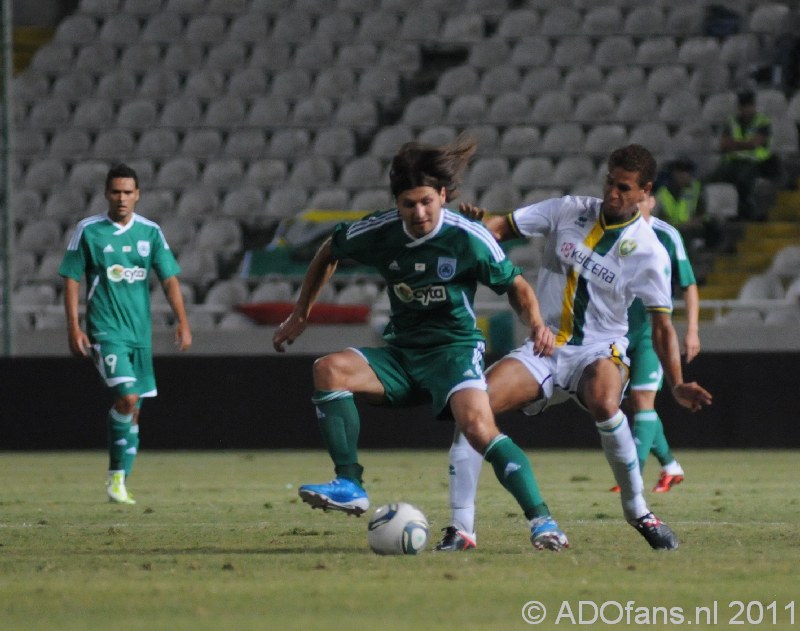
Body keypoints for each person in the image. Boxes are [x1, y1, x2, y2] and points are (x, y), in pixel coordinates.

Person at [272, 137, 571, 551]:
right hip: (403, 354)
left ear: (442, 196)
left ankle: (543, 522)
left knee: (479, 428)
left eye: (427, 201)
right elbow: (329, 251)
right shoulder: (380, 231)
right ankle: (350, 484)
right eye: (409, 204)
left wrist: (536, 323)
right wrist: (301, 312)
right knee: (328, 369)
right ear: (396, 203)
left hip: (454, 352)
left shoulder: (467, 237)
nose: (420, 212)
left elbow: (516, 284)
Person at [436, 144, 712, 553]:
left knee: (604, 400)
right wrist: (482, 230)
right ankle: (462, 528)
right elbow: (502, 227)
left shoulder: (651, 251)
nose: (612, 193)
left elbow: (661, 327)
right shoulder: (568, 210)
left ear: (644, 191)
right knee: (473, 406)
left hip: (599, 350)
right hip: (543, 346)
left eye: (624, 187)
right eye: (609, 183)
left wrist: (677, 383)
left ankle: (638, 511)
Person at [59, 164, 192, 504]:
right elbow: (72, 278)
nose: (121, 198)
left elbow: (169, 279)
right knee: (127, 398)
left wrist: (182, 321)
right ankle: (116, 480)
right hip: (105, 331)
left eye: (127, 192)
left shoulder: (150, 232)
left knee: (135, 410)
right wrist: (74, 326)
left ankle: (118, 480)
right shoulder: (89, 231)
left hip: (139, 335)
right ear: (107, 193)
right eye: (116, 191)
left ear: (138, 195)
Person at [609, 193, 700, 495]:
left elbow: (688, 284)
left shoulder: (666, 235)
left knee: (642, 400)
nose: (635, 203)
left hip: (651, 331)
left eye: (642, 198)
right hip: (618, 331)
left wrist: (692, 331)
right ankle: (671, 466)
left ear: (651, 201)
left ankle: (630, 475)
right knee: (629, 404)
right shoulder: (615, 230)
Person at [706, 89, 781, 221]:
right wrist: (745, 143)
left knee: (743, 180)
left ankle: (747, 212)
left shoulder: (762, 121)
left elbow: (756, 143)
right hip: (733, 162)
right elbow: (723, 144)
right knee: (712, 178)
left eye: (749, 106)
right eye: (743, 106)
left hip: (756, 162)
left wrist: (735, 144)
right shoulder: (732, 121)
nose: (746, 109)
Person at [653, 158, 722, 251]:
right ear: (674, 174)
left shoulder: (696, 189)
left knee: (713, 227)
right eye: (680, 173)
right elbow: (656, 218)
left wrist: (694, 222)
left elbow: (702, 211)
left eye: (686, 172)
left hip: (692, 227)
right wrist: (678, 225)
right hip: (672, 228)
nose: (684, 176)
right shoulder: (662, 193)